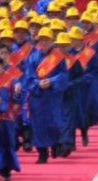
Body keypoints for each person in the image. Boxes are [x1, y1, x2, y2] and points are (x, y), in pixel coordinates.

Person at [22, 27, 68, 163]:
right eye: (42, 40)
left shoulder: (59, 58)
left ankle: (55, 145)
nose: (44, 42)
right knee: (39, 125)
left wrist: (52, 81)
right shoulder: (32, 58)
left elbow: (64, 75)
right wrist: (38, 83)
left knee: (54, 122)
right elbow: (28, 77)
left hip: (53, 96)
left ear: (52, 41)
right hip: (38, 97)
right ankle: (42, 153)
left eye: (47, 40)